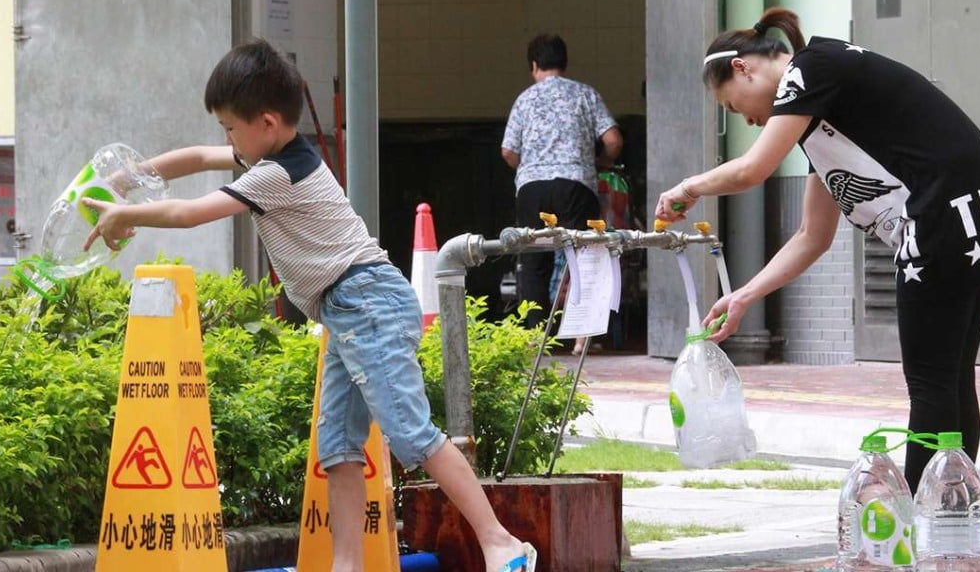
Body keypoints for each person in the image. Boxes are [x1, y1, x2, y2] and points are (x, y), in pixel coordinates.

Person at [82, 40, 536, 572]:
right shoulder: (267, 152)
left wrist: (122, 216)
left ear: (268, 122)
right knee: (339, 450)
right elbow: (194, 157)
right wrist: (126, 180)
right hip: (345, 310)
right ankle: (346, 565)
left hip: (368, 303)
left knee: (412, 435)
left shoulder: (276, 174)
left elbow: (188, 214)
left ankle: (501, 543)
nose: (225, 139)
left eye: (231, 127)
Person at [655, 7, 980, 493]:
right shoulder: (822, 114)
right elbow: (811, 237)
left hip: (943, 218)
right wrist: (744, 296)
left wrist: (688, 187)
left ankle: (923, 517)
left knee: (930, 384)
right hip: (977, 214)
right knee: (949, 378)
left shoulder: (811, 68)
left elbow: (753, 170)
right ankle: (953, 505)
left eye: (735, 108)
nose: (751, 121)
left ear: (743, 68)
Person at [501, 33, 623, 333]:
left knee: (533, 261)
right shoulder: (585, 94)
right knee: (585, 256)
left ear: (533, 65)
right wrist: (602, 163)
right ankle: (582, 335)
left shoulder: (525, 99)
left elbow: (508, 152)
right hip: (575, 185)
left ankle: (534, 336)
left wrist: (528, 167)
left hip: (532, 189)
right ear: (564, 62)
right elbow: (613, 140)